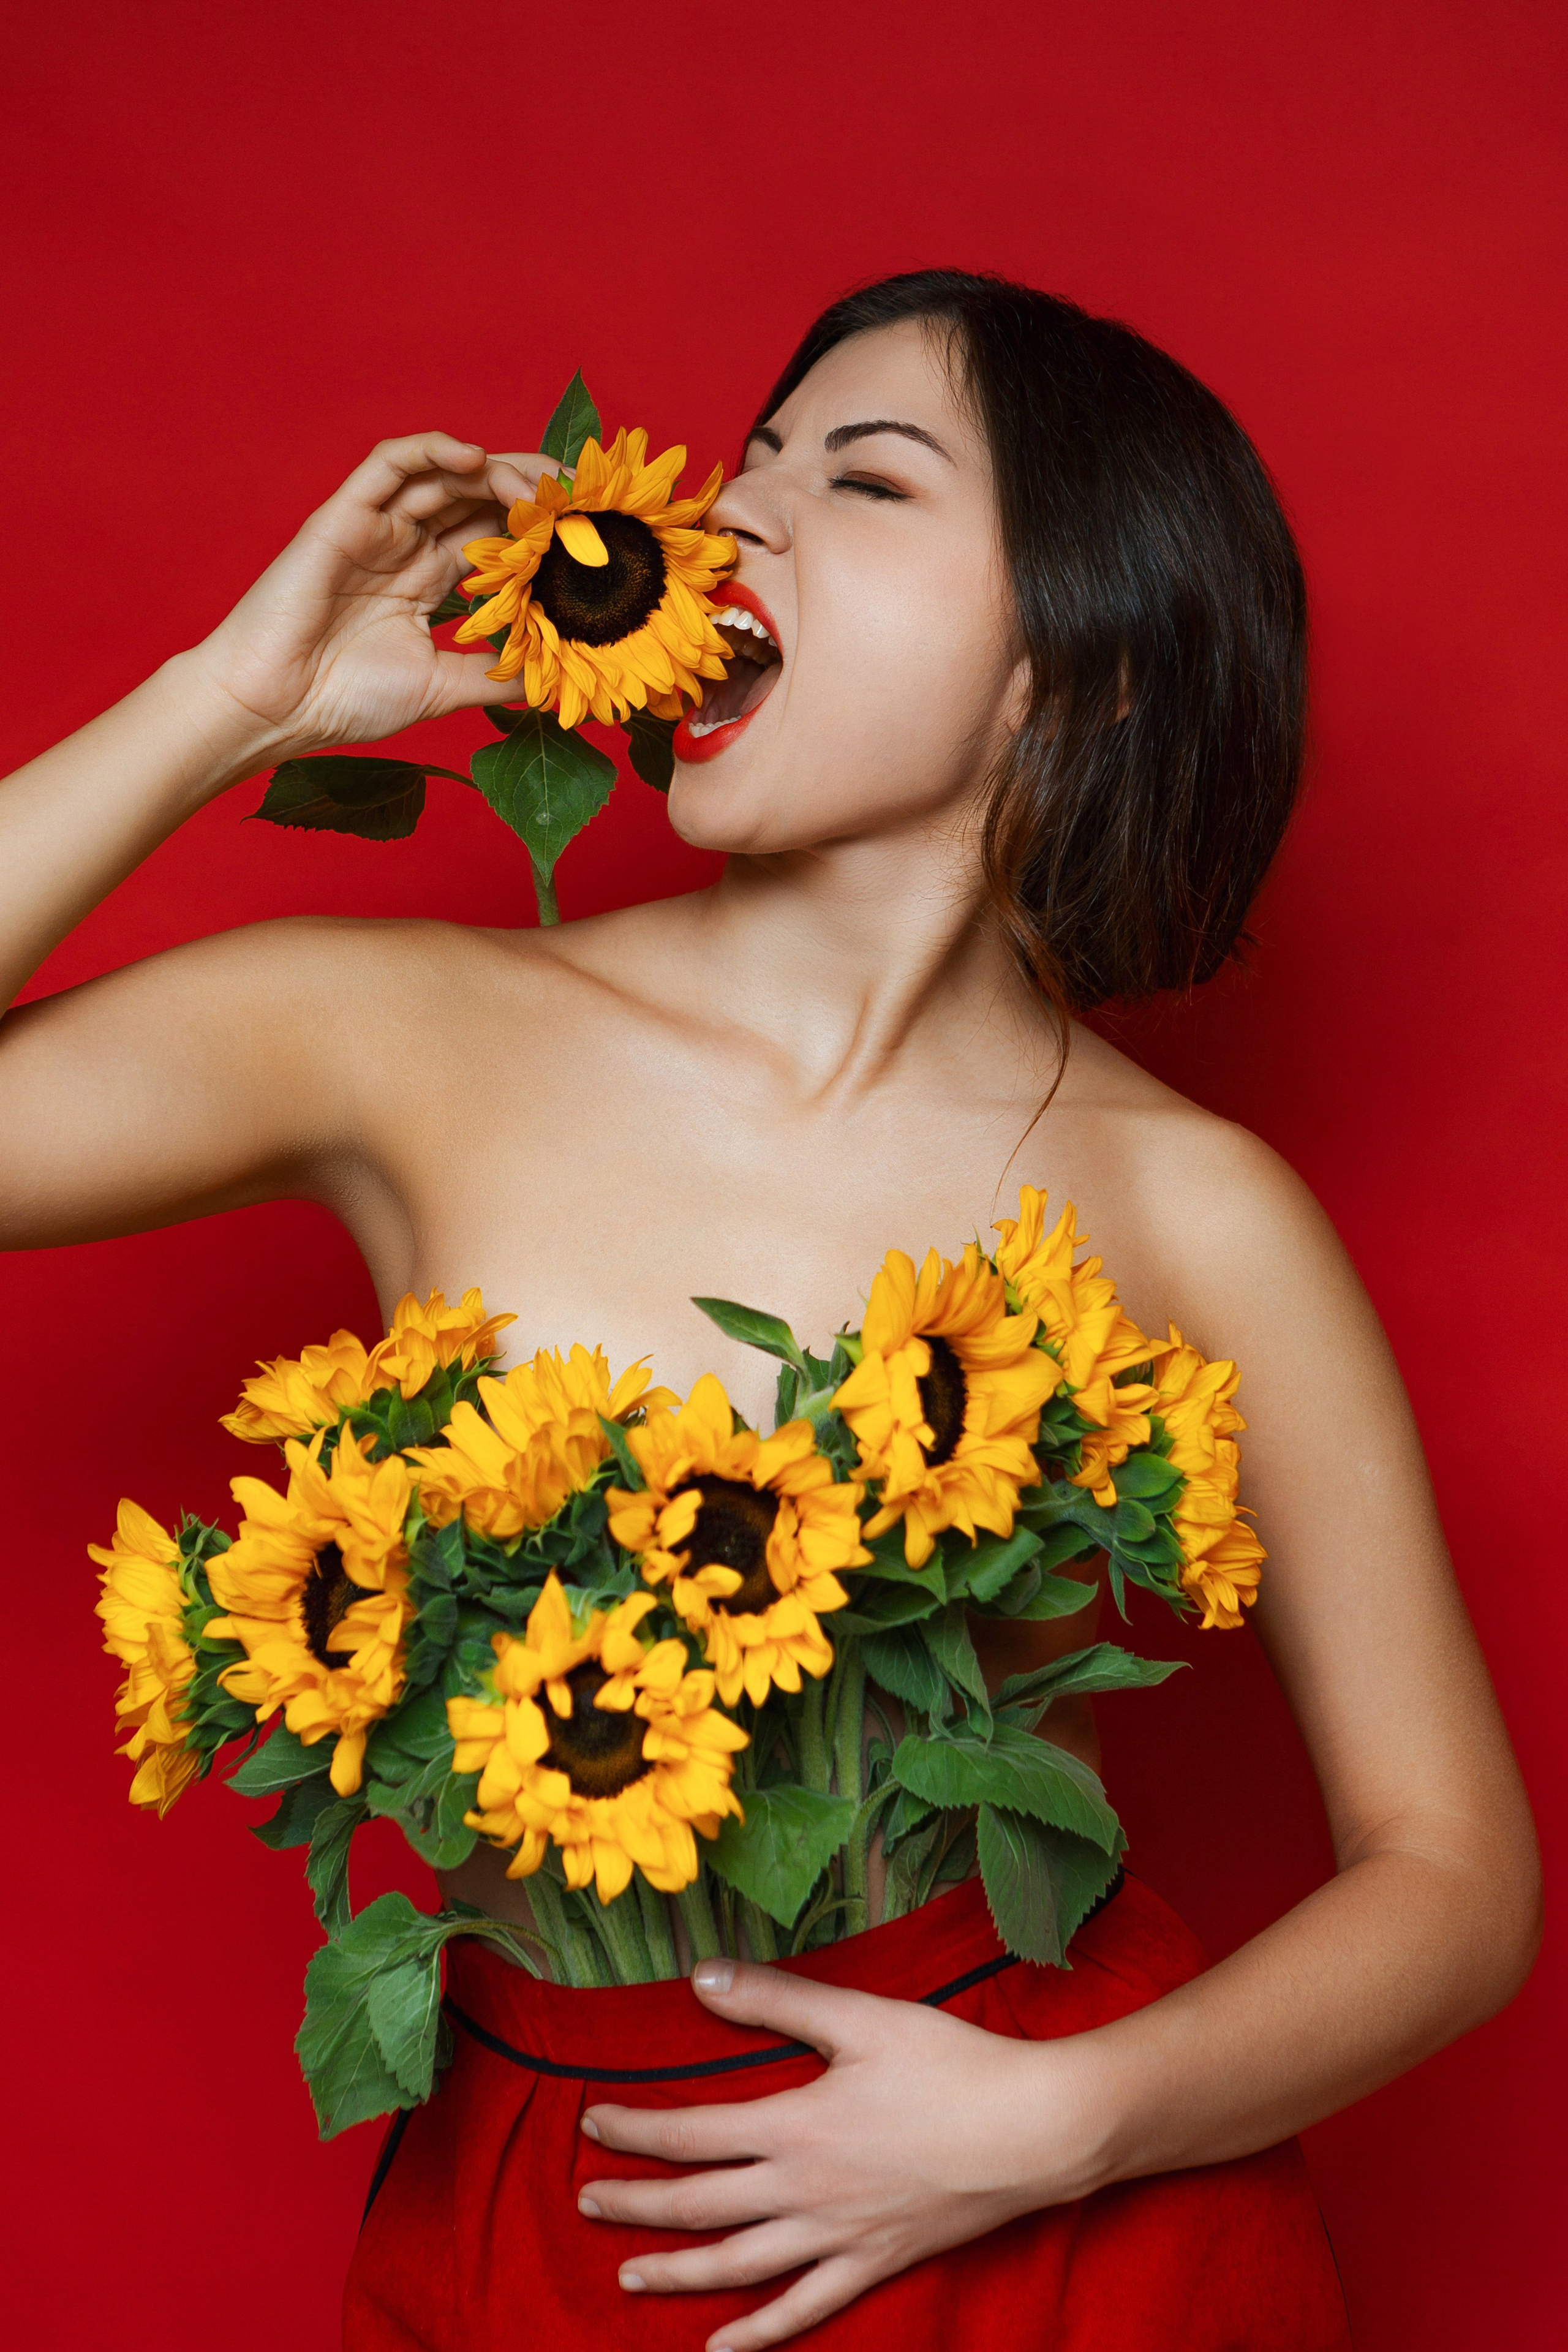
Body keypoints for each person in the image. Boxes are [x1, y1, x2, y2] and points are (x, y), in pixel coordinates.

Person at [0, 270, 1539, 2350]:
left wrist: (1063, 2122)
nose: (736, 524)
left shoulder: (1199, 1206)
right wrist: (239, 702)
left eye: (867, 476)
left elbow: (1457, 1875)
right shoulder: (405, 1032)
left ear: (1067, 676)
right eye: (750, 464)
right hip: (534, 2219)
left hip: (1069, 2250)